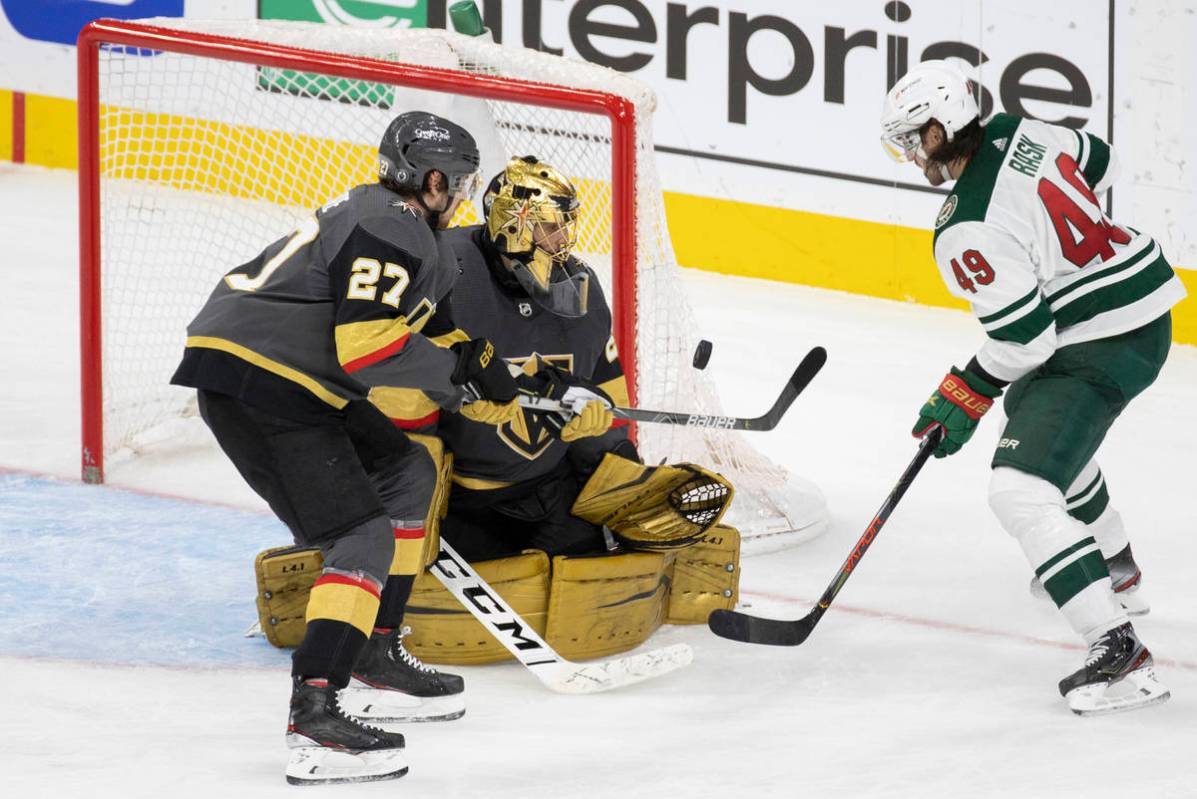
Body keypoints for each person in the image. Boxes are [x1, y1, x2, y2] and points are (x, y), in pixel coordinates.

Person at [171, 111, 524, 785]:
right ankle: (316, 718)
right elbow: (368, 345)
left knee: (404, 473)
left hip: (298, 379)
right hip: (261, 379)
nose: (462, 191)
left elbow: (431, 336)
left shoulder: (411, 231)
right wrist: (459, 376)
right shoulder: (389, 224)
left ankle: (375, 652)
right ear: (430, 178)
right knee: (359, 536)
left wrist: (485, 369)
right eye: (459, 180)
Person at [880, 60, 1184, 716]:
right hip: (1137, 302)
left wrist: (961, 393)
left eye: (910, 138)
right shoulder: (1020, 129)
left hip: (1101, 338)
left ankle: (1120, 653)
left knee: (1017, 487)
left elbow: (1025, 342)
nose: (908, 153)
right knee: (1029, 415)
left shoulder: (964, 225)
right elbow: (1097, 159)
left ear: (936, 133)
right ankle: (1115, 569)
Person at [370, 155, 637, 561]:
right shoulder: (443, 271)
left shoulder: (580, 287)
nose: (563, 240)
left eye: (566, 226)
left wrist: (611, 445)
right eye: (550, 227)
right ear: (514, 224)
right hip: (455, 500)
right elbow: (393, 384)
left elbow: (609, 391)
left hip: (547, 488)